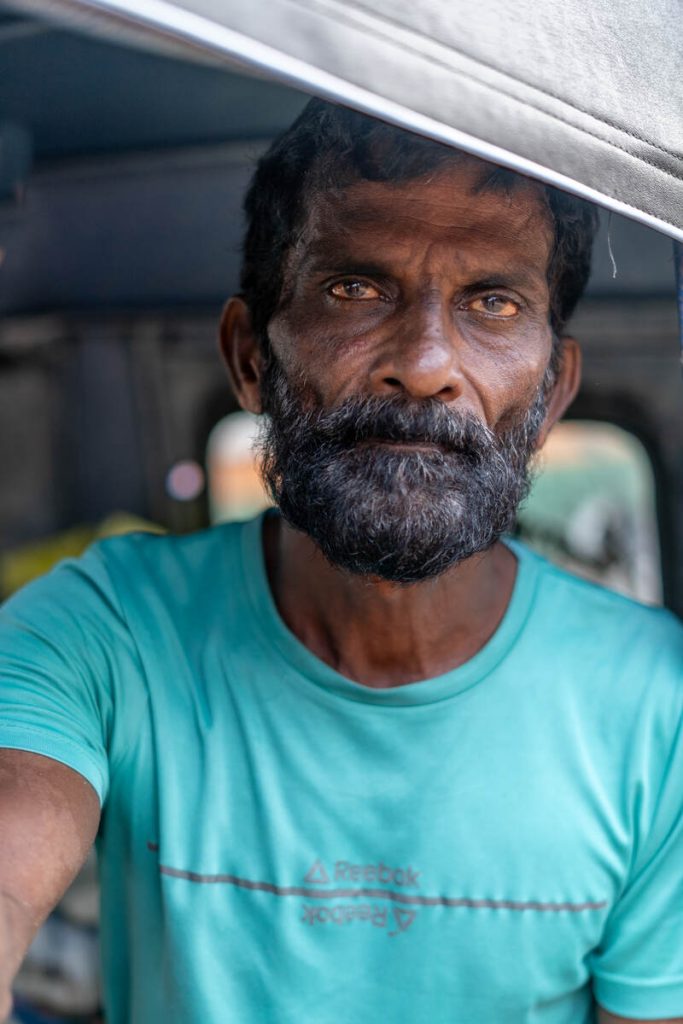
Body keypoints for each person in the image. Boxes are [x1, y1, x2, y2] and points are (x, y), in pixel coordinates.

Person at [1, 100, 682, 1024]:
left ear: (552, 389)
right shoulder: (100, 631)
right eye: (356, 290)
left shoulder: (658, 710)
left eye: (492, 301)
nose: (426, 362)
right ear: (249, 360)